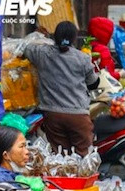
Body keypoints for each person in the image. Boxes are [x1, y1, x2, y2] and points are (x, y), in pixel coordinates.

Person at [24, 21, 99, 157]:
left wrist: (42, 38)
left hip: (52, 116)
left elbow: (25, 47)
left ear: (55, 36)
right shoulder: (82, 58)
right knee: (85, 157)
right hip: (78, 116)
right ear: (74, 38)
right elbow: (93, 83)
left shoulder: (42, 53)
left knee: (61, 158)